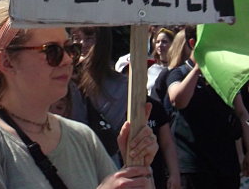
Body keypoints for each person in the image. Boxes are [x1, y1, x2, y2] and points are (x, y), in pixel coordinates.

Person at [0, 0, 158, 188]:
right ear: (7, 62)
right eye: (52, 51)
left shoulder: (83, 137)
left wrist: (138, 170)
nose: (67, 60)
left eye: (70, 49)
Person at [70, 26, 181, 189]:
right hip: (69, 164)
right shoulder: (62, 78)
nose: (81, 44)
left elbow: (163, 141)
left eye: (89, 37)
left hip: (107, 168)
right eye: (76, 37)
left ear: (103, 41)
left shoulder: (123, 86)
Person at [167, 26, 249, 189]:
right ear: (193, 43)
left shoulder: (225, 75)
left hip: (225, 164)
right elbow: (178, 101)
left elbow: (242, 112)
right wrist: (198, 69)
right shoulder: (179, 73)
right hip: (193, 166)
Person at [147, 28, 174, 96]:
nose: (160, 45)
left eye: (164, 41)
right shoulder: (150, 69)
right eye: (157, 42)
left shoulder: (178, 69)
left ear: (173, 44)